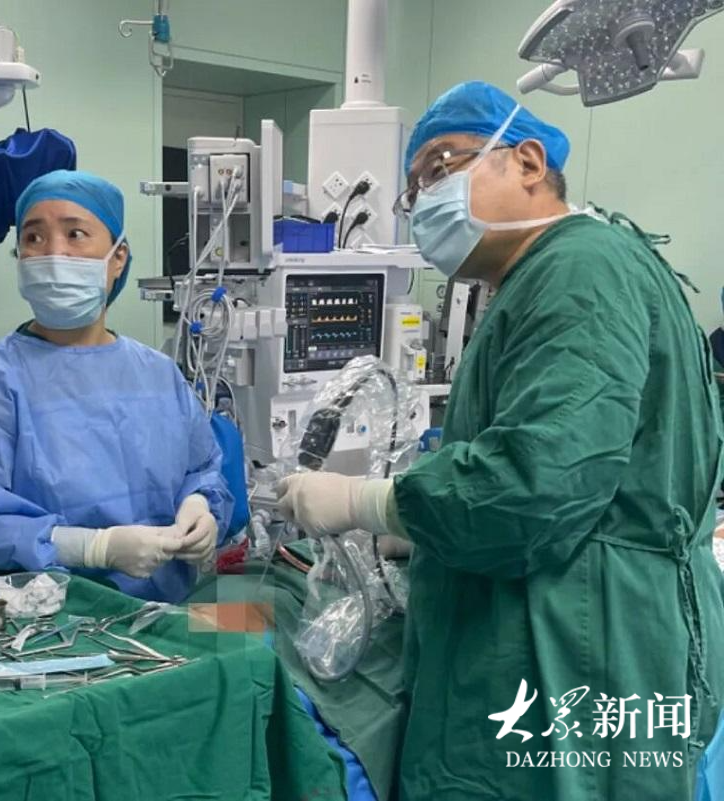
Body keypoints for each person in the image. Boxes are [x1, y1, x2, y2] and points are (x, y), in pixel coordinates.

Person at [277, 82, 724, 800]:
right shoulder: (558, 272)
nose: (424, 199)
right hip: (577, 622)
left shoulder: (580, 270)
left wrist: (369, 501)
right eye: (414, 188)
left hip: (576, 646)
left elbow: (537, 484)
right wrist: (422, 527)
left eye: (440, 167)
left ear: (528, 162)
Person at [0, 170, 232, 603]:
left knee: (262, 631)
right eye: (34, 237)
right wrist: (91, 548)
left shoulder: (158, 375)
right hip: (51, 624)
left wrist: (201, 506)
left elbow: (204, 469)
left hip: (169, 615)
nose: (53, 252)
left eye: (75, 234)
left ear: (118, 258)